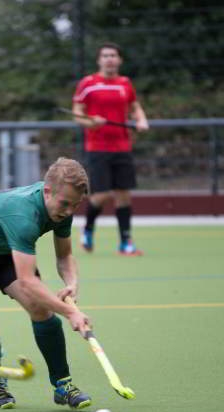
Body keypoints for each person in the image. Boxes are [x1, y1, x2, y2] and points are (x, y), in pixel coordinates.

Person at [0, 157, 94, 410]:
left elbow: (65, 255)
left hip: (4, 251)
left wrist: (72, 283)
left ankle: (62, 384)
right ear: (47, 192)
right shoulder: (22, 214)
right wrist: (70, 312)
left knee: (41, 310)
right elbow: (26, 280)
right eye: (65, 204)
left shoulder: (63, 205)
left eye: (75, 205)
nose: (68, 211)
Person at [72, 42, 150, 255]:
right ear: (99, 60)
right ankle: (87, 230)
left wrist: (141, 120)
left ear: (119, 60)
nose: (109, 59)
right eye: (105, 55)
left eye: (113, 55)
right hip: (98, 147)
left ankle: (126, 243)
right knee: (102, 195)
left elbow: (135, 107)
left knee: (124, 194)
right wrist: (91, 121)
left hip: (123, 146)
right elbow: (77, 113)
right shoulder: (88, 83)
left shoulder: (125, 83)